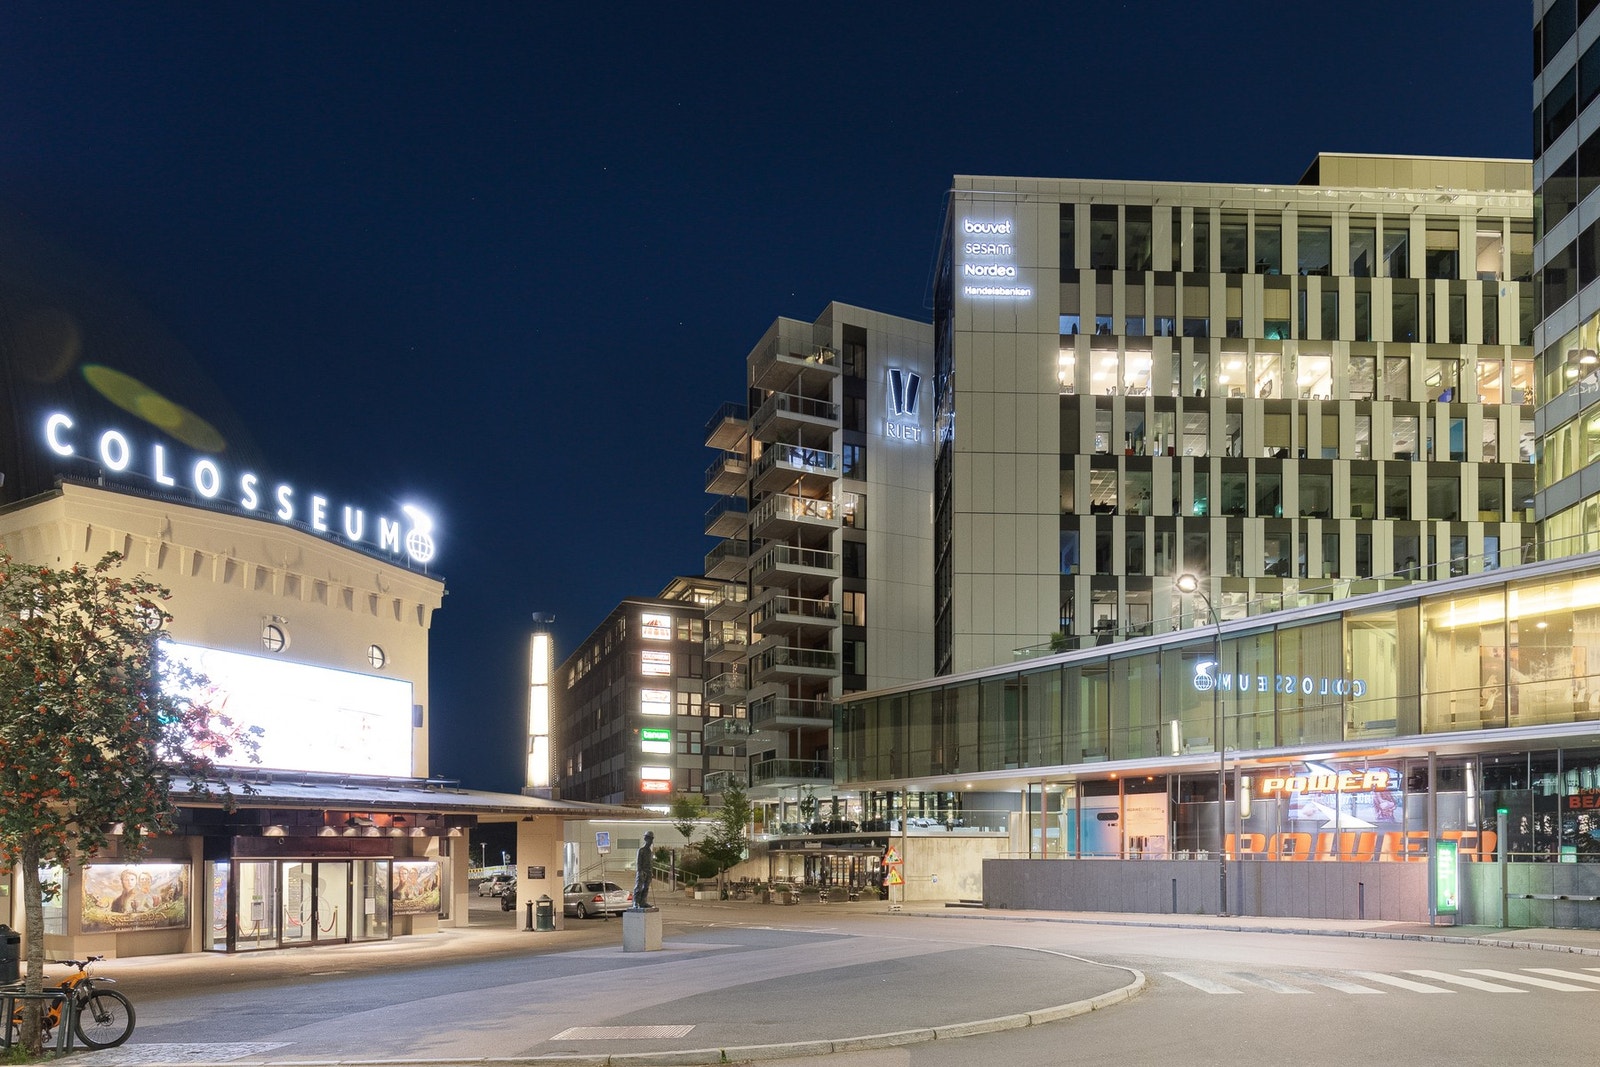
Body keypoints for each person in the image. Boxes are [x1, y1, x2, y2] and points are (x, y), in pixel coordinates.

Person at [632, 830, 655, 910]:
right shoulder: (641, 850)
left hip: (648, 872)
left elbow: (650, 863)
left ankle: (643, 902)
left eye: (652, 839)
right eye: (650, 839)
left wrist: (651, 872)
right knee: (638, 888)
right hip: (642, 872)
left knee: (646, 888)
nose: (651, 841)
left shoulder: (649, 851)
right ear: (646, 839)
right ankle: (635, 902)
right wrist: (640, 872)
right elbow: (638, 863)